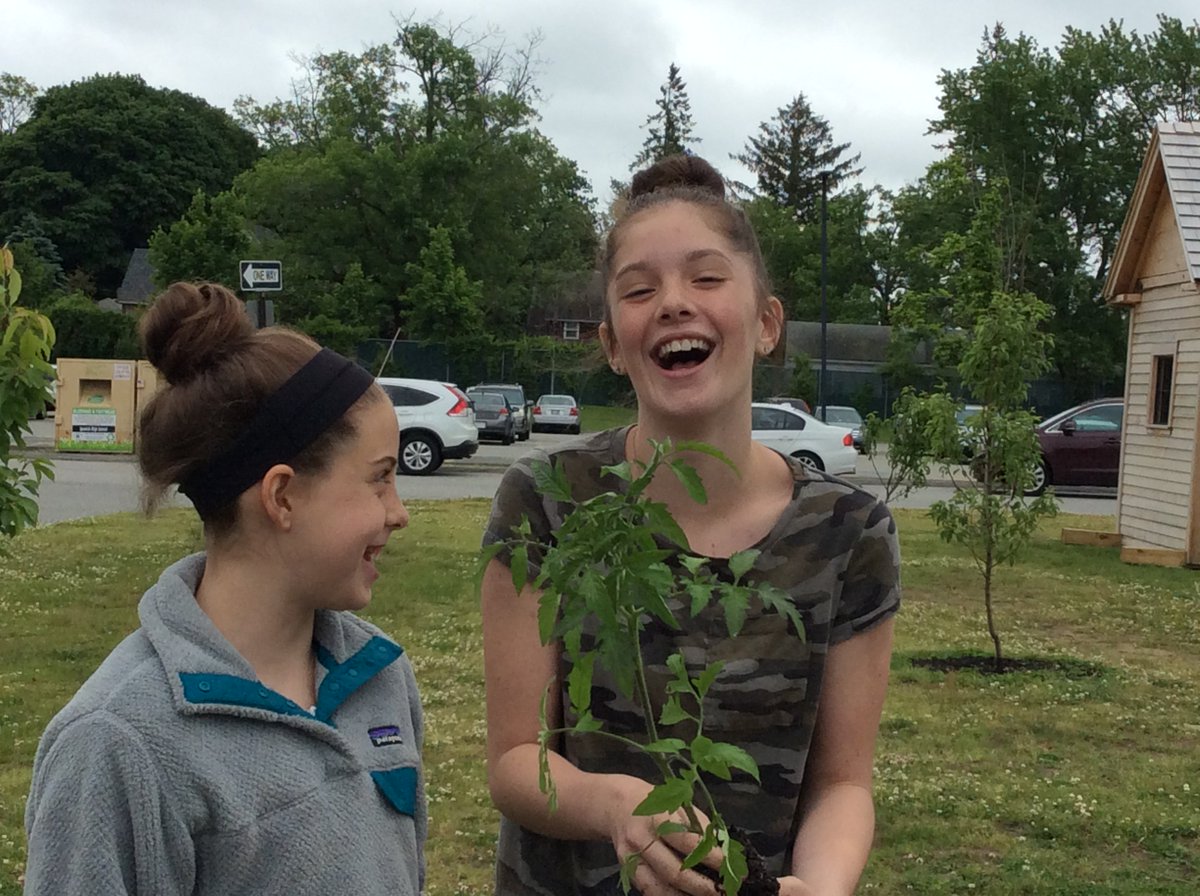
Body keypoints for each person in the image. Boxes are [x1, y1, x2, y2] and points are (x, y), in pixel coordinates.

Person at [481, 155, 899, 896]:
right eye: (639, 290)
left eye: (706, 278)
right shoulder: (546, 499)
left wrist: (824, 886)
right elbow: (517, 760)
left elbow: (843, 783)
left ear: (767, 324)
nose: (674, 303)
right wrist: (618, 805)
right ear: (613, 344)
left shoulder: (847, 530)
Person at [23, 282, 425, 895]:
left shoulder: (380, 676)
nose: (399, 513)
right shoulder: (116, 743)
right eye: (380, 479)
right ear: (282, 496)